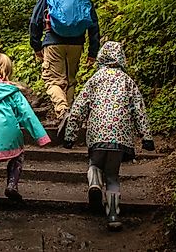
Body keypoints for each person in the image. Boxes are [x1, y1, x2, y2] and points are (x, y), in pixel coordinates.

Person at [63, 41, 155, 231]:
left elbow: (79, 107)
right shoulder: (128, 81)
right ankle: (113, 215)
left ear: (101, 57)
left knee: (94, 164)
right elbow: (139, 110)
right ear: (121, 58)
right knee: (113, 175)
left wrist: (70, 135)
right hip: (120, 138)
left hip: (97, 134)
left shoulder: (95, 80)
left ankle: (95, 184)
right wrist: (146, 137)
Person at [0, 52, 51, 230]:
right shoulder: (12, 91)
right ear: (7, 70)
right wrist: (40, 137)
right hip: (10, 133)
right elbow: (26, 114)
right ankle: (12, 184)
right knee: (18, 155)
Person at [29, 0, 100, 122]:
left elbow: (35, 20)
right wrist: (93, 52)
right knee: (70, 80)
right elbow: (93, 23)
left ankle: (63, 111)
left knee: (53, 80)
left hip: (53, 41)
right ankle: (69, 119)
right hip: (77, 43)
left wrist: (36, 45)